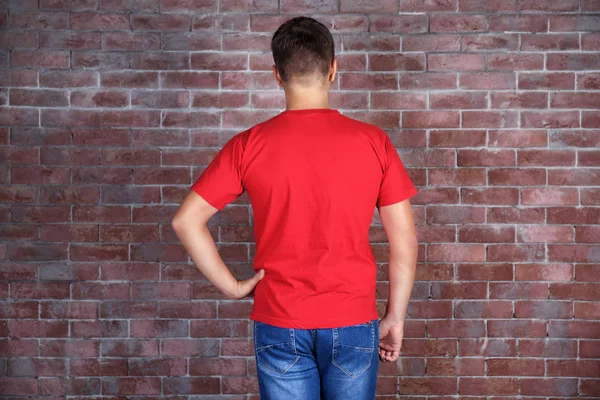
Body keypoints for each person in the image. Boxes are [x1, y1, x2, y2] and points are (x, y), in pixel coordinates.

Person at [172, 16, 419, 400]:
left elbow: (186, 221)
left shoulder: (248, 145)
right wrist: (395, 318)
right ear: (333, 69)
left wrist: (234, 287)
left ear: (277, 74)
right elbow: (404, 242)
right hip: (354, 319)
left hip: (280, 319)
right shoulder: (374, 142)